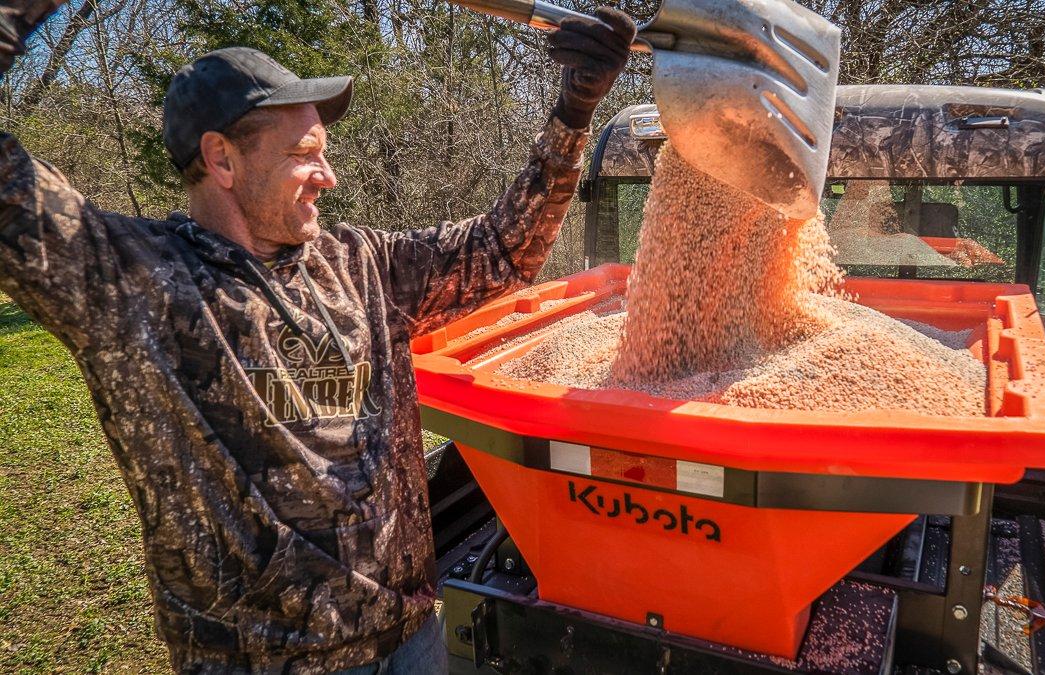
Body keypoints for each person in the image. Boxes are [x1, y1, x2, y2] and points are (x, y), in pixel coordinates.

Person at [0, 1, 636, 672]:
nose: (327, 177)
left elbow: (504, 250)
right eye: (304, 156)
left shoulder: (360, 263)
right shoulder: (132, 283)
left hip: (412, 635)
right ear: (220, 159)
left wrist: (573, 111)